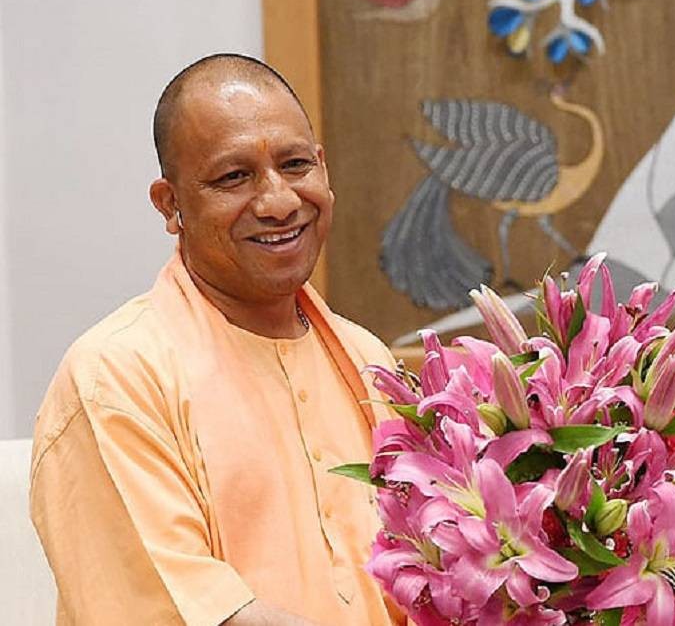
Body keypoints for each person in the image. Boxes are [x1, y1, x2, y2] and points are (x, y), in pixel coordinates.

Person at [29, 54, 401, 625]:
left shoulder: (368, 359)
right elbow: (194, 612)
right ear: (170, 204)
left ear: (323, 168)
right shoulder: (118, 374)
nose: (279, 201)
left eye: (295, 165)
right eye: (233, 177)